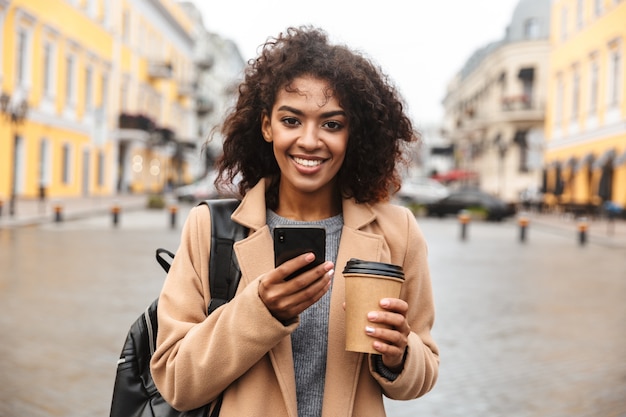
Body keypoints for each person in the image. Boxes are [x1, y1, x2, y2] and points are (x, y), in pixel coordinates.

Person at [150, 26, 439, 416]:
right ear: (267, 125)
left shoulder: (397, 231)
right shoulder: (210, 228)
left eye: (332, 124)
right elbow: (175, 382)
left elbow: (424, 370)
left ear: (354, 133)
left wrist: (400, 354)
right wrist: (261, 311)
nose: (309, 140)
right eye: (291, 120)